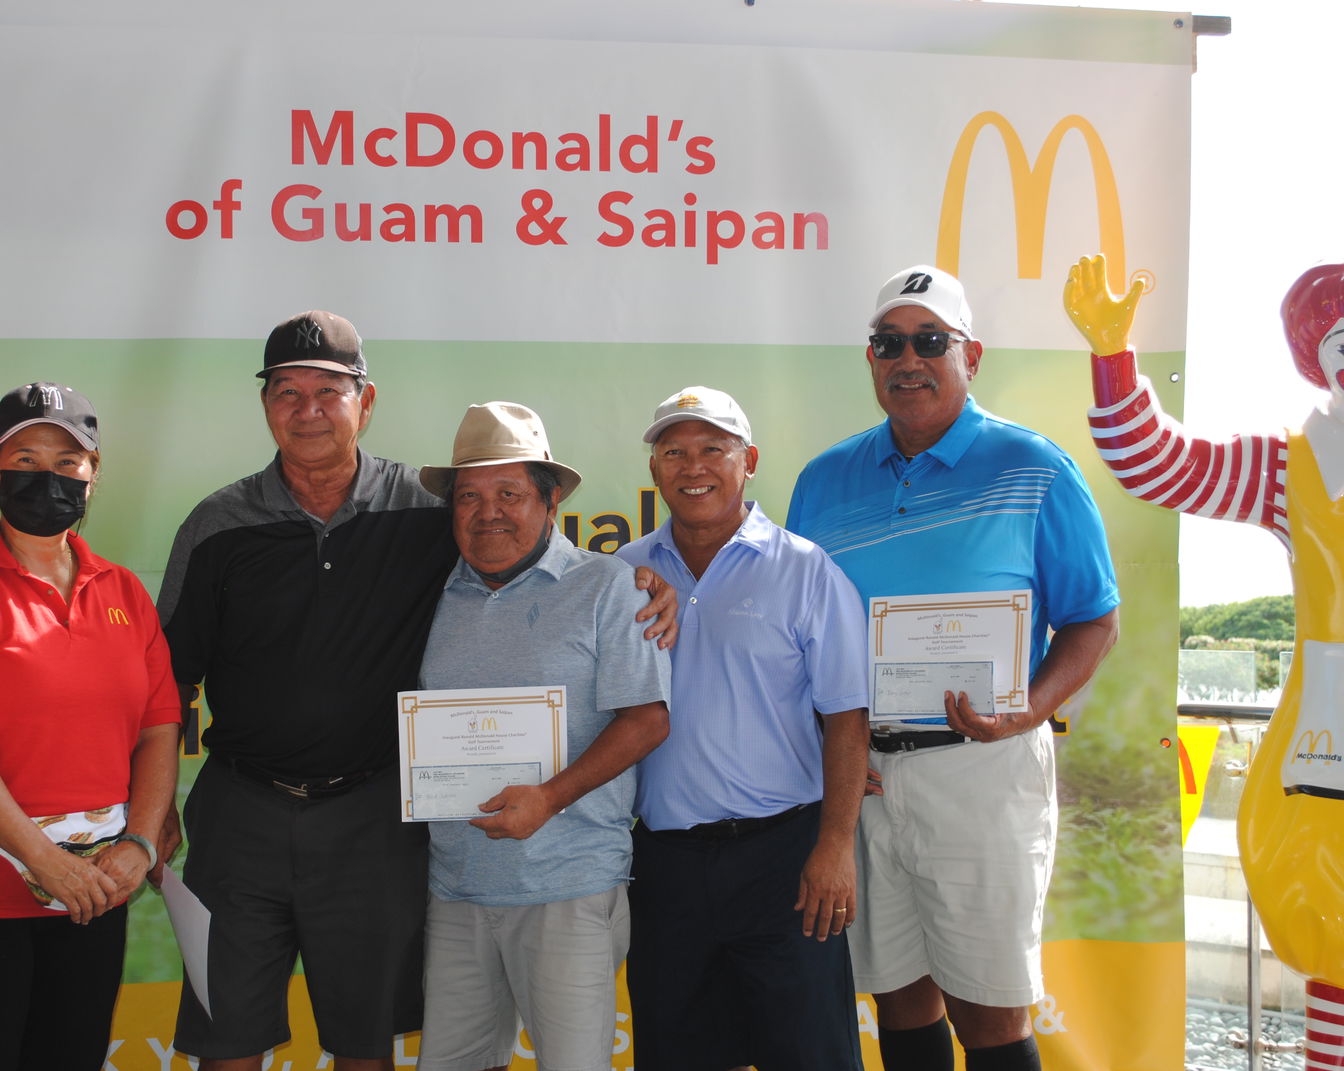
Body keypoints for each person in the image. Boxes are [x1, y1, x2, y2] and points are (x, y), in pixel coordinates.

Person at [157, 312, 675, 1071]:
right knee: (227, 1039)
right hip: (244, 815)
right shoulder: (216, 523)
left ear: (365, 402)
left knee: (366, 1041)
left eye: (329, 390)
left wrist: (640, 577)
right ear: (266, 404)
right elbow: (168, 679)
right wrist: (156, 804)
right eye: (288, 391)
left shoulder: (426, 514)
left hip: (374, 819)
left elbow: (528, 548)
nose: (309, 409)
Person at [786, 266, 1120, 1071]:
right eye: (889, 342)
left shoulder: (1034, 466)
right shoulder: (824, 479)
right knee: (899, 998)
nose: (909, 358)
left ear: (971, 353)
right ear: (870, 359)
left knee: (990, 1011)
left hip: (982, 768)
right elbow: (789, 622)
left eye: (930, 340)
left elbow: (1094, 620)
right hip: (862, 777)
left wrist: (1029, 709)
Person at [1064, 254, 1344, 1040]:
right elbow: (1160, 462)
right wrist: (1114, 359)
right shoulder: (1294, 465)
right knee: (1337, 958)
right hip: (1331, 751)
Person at [0, 381, 180, 1071]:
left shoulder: (123, 591)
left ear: (93, 474)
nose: (47, 475)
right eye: (26, 456)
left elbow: (159, 727)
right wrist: (46, 861)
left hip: (93, 898)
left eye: (67, 460)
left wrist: (138, 842)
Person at [616, 386, 869, 1071]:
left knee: (812, 1055)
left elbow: (848, 718)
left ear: (748, 459)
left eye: (712, 448)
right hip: (665, 866)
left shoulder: (806, 570)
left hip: (785, 863)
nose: (692, 465)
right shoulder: (619, 576)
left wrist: (836, 846)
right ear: (655, 469)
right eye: (674, 451)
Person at [413, 401, 671, 1071]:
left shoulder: (609, 588)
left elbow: (647, 718)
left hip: (568, 887)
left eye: (509, 492)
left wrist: (550, 797)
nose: (487, 511)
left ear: (550, 499)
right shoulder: (430, 593)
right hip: (457, 890)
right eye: (468, 496)